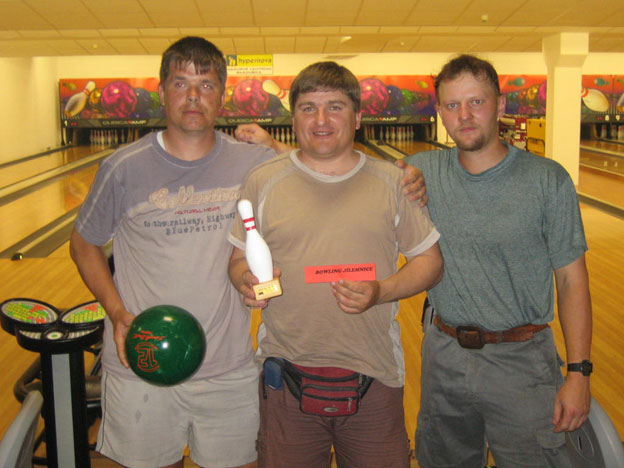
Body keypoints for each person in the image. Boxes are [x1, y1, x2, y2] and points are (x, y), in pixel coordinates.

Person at [69, 37, 425, 468]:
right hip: (146, 359)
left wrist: (397, 174)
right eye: (180, 83)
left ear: (223, 95)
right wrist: (116, 312)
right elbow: (83, 244)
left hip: (229, 366)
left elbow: (316, 162)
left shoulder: (252, 164)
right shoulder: (123, 167)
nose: (193, 96)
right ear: (161, 92)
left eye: (206, 84)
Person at [228, 61, 444, 468]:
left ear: (358, 117)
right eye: (308, 108)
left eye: (335, 107)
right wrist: (245, 280)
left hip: (374, 376)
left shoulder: (393, 181)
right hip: (285, 376)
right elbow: (238, 259)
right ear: (293, 119)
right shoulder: (262, 181)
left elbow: (430, 262)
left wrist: (381, 291)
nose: (321, 120)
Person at [404, 54, 592, 468]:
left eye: (477, 102)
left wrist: (579, 372)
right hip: (444, 357)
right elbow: (351, 176)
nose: (464, 116)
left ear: (501, 105)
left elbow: (571, 280)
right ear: (439, 112)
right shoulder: (421, 171)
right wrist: (276, 148)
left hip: (522, 362)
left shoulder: (547, 179)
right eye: (452, 105)